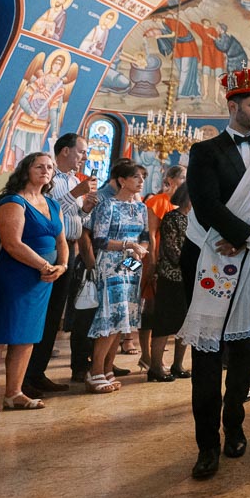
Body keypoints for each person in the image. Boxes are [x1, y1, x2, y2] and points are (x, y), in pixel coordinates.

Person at [178, 67, 250, 480]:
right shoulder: (206, 152)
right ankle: (206, 446)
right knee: (208, 356)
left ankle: (235, 426)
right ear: (233, 106)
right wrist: (244, 236)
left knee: (248, 351)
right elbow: (207, 204)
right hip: (210, 255)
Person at [0, 152, 68, 419]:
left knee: (27, 338)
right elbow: (13, 243)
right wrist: (44, 266)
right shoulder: (13, 202)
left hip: (42, 280)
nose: (46, 171)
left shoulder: (52, 204)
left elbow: (61, 241)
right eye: (39, 166)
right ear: (26, 170)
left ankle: (14, 393)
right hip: (13, 277)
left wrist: (62, 265)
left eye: (50, 167)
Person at [22, 132, 93, 398]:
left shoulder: (75, 180)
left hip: (70, 248)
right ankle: (26, 375)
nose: (84, 157)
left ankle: (38, 373)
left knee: (54, 316)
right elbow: (49, 211)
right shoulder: (50, 180)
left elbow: (74, 218)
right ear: (65, 151)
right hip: (48, 249)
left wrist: (85, 208)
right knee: (41, 313)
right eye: (81, 151)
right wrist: (76, 194)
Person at [85, 160, 149, 395]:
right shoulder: (107, 205)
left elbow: (145, 237)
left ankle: (108, 368)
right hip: (110, 264)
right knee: (110, 316)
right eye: (136, 177)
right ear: (122, 180)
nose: (141, 181)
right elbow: (100, 240)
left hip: (131, 265)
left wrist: (138, 251)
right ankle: (95, 370)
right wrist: (128, 245)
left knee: (123, 318)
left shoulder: (141, 208)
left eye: (143, 177)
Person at [139, 165, 185, 372]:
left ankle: (165, 359)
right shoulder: (157, 202)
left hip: (174, 261)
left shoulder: (183, 205)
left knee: (168, 310)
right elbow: (150, 236)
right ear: (171, 179)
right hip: (155, 257)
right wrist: (154, 264)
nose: (185, 181)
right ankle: (147, 355)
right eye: (182, 177)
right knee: (151, 308)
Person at [144, 184, 191, 382]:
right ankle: (155, 367)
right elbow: (172, 249)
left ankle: (178, 364)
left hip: (190, 278)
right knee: (164, 322)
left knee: (186, 324)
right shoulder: (173, 217)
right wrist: (192, 265)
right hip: (172, 276)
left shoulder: (196, 220)